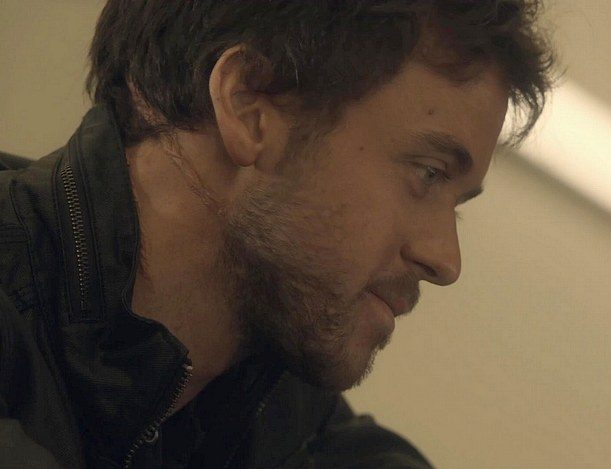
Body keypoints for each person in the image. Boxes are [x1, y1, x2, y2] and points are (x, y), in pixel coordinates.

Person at [0, 1, 553, 467]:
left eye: (456, 205)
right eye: (428, 173)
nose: (446, 261)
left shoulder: (286, 415)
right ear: (248, 107)